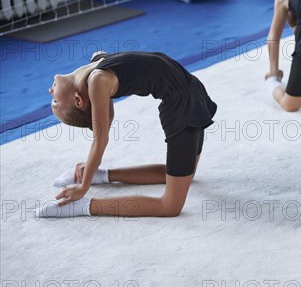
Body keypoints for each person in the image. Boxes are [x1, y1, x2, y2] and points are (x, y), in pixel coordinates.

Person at [36, 51, 217, 218]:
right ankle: (83, 206)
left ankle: (101, 175)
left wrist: (87, 178)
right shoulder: (97, 78)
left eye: (53, 101)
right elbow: (100, 139)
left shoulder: (96, 65)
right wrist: (84, 188)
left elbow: (108, 117)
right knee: (170, 206)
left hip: (190, 93)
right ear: (78, 100)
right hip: (183, 103)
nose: (50, 91)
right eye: (54, 100)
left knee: (187, 173)